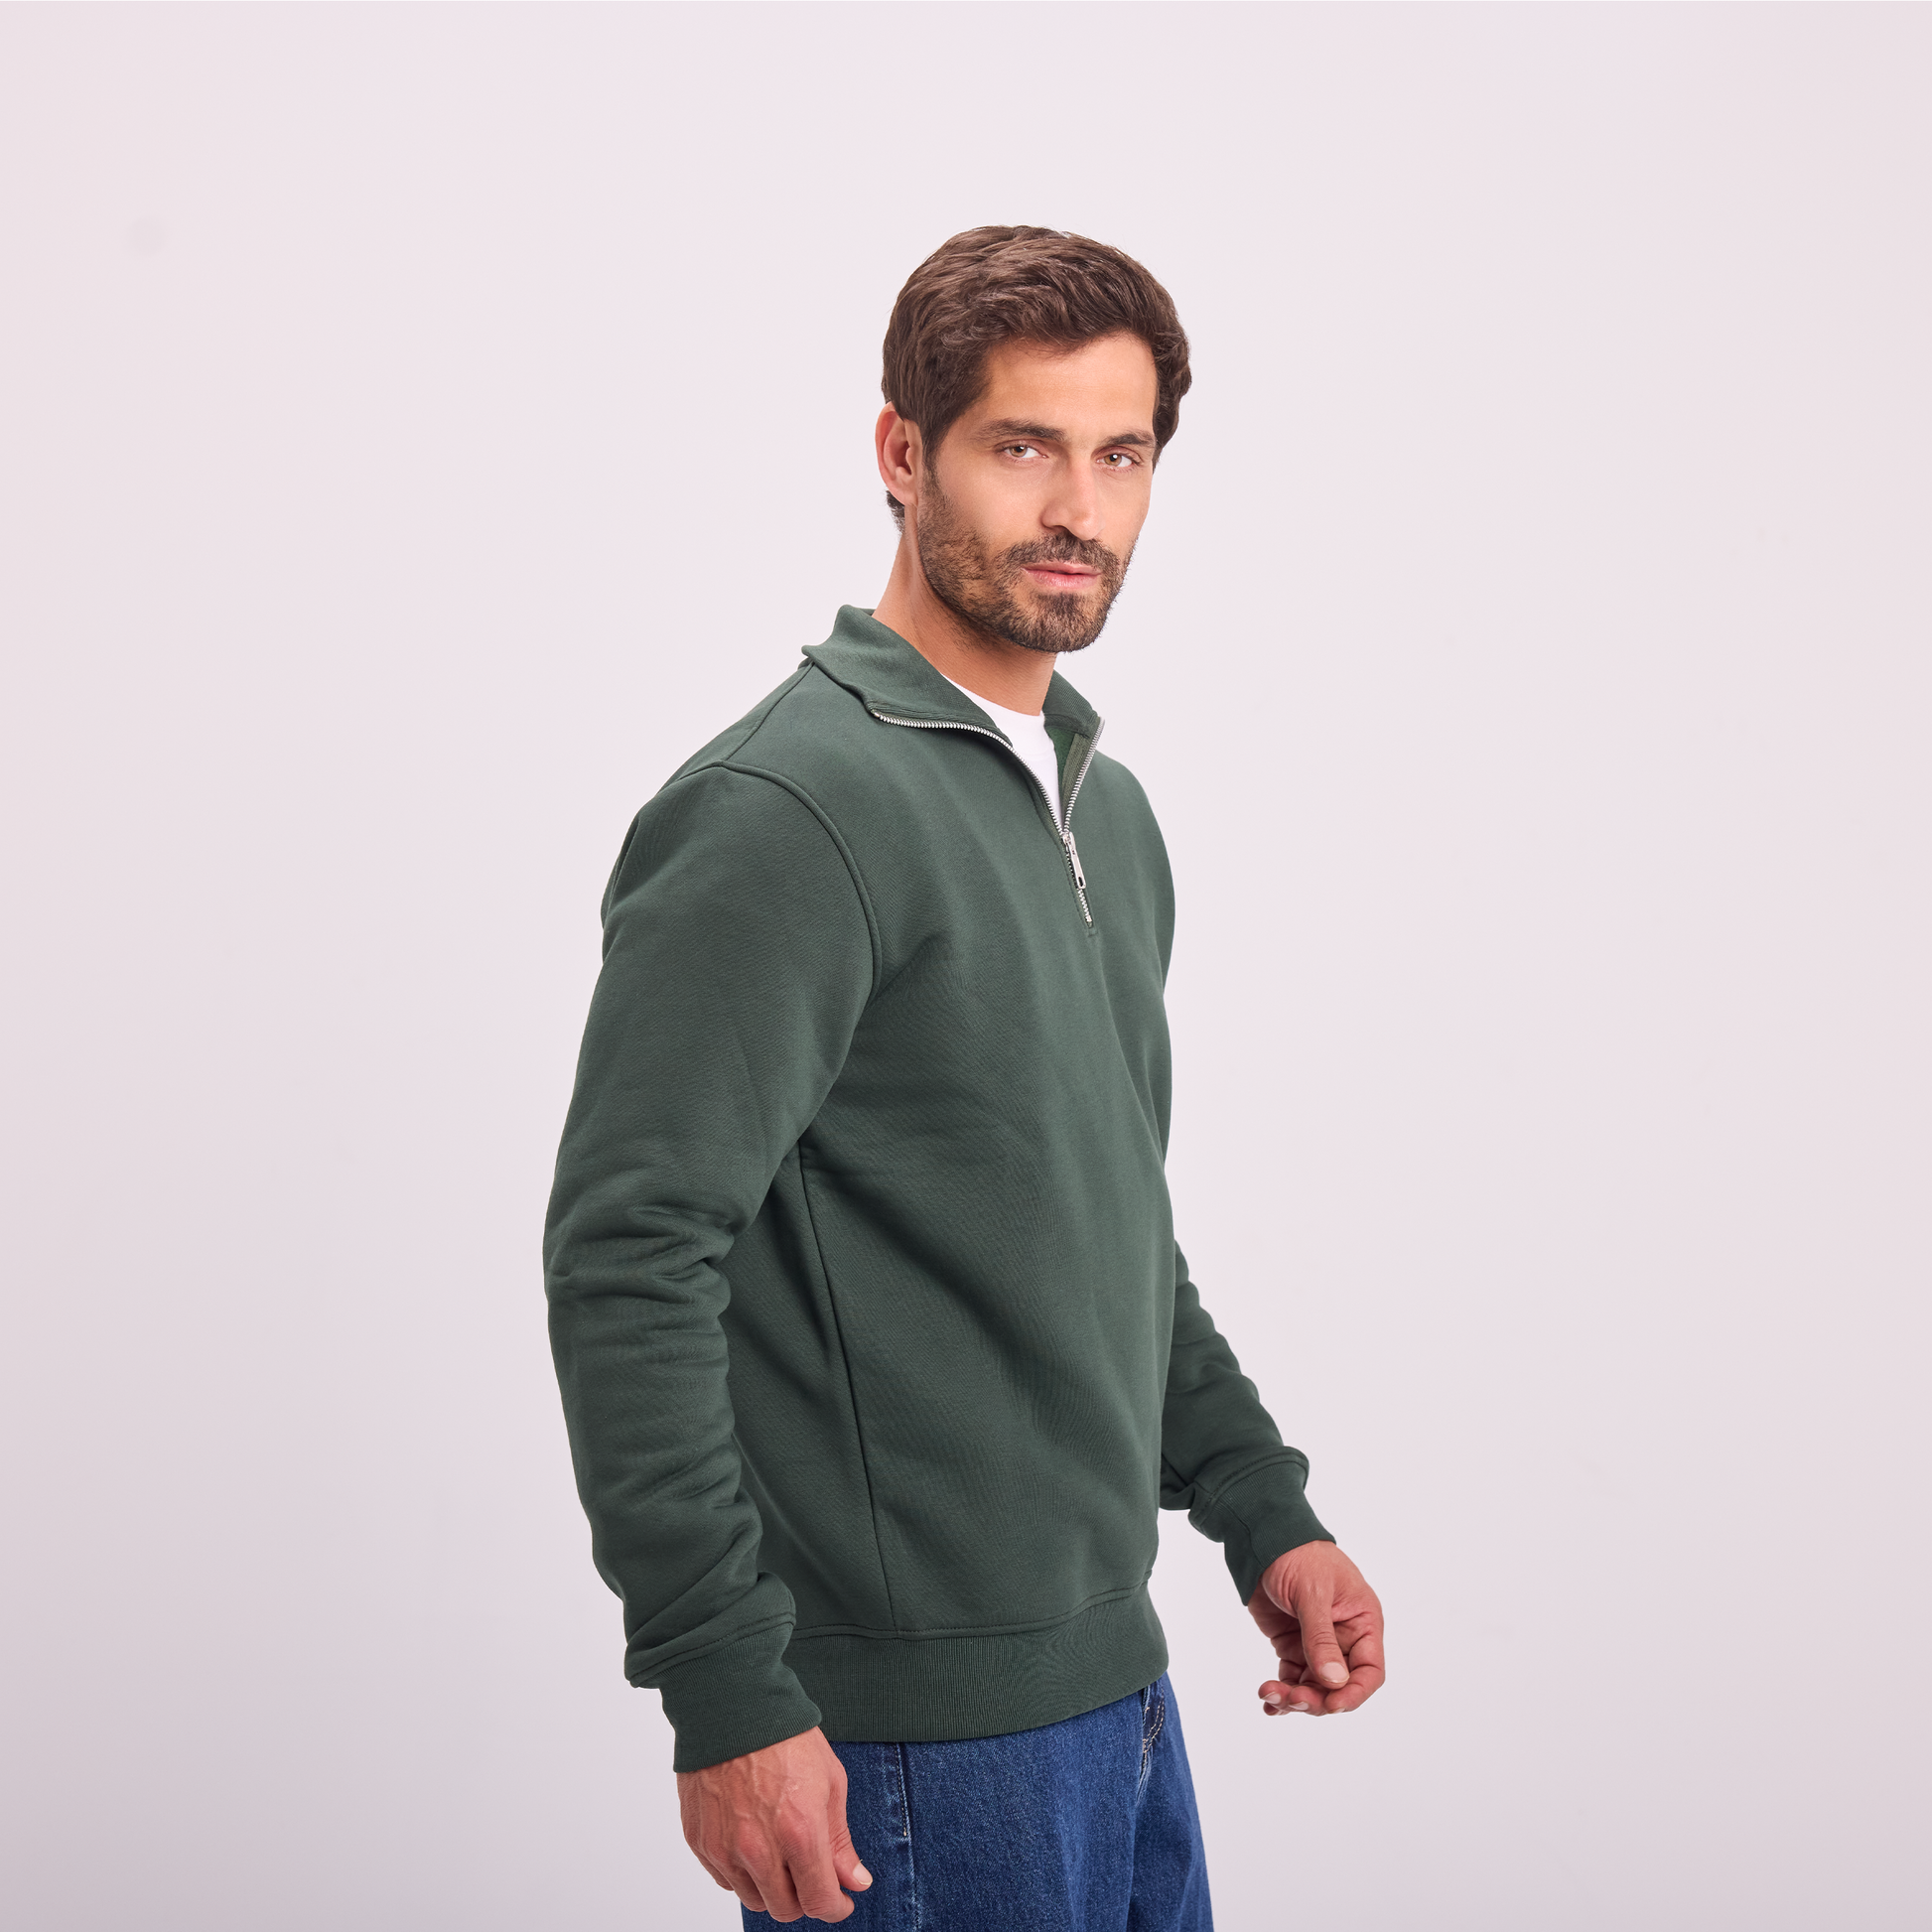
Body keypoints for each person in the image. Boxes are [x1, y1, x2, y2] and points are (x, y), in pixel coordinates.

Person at [543, 225, 1386, 1930]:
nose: (1076, 505)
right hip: (905, 1740)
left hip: (1113, 1687)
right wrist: (725, 1685)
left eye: (1119, 454)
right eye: (1022, 445)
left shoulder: (1102, 811)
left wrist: (1256, 1503)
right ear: (901, 452)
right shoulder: (787, 811)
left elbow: (1101, 1218)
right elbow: (630, 1253)